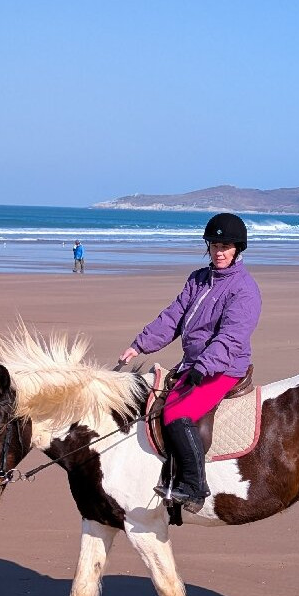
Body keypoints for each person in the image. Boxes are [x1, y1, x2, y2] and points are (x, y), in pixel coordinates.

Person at [119, 213, 262, 510]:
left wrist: (203, 367)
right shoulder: (198, 280)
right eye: (214, 245)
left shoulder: (244, 290)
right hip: (194, 364)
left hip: (224, 368)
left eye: (226, 246)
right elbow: (173, 317)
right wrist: (139, 345)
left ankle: (195, 487)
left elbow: (232, 338)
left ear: (238, 249)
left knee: (176, 414)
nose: (219, 251)